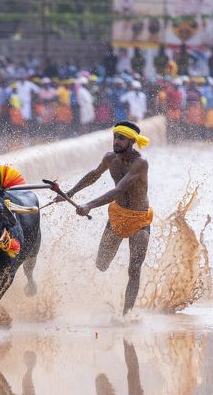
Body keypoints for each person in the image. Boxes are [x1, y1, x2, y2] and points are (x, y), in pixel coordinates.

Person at [63, 121, 152, 315]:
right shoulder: (110, 158)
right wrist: (69, 193)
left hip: (139, 220)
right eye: (115, 137)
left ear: (131, 141)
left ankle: (126, 315)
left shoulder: (140, 163)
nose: (116, 141)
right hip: (118, 215)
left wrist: (89, 205)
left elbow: (118, 190)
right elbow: (94, 175)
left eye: (121, 138)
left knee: (134, 269)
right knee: (101, 265)